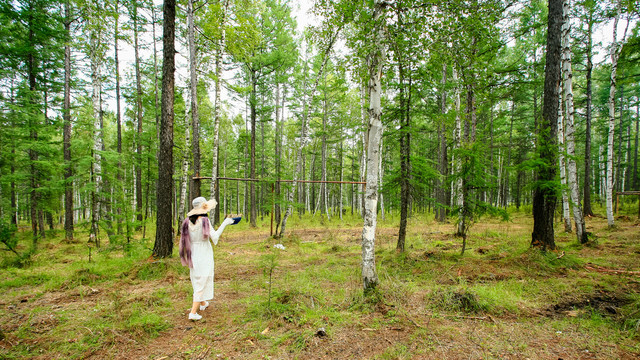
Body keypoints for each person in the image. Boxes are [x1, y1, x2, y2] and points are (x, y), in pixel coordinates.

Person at [179, 197, 234, 320]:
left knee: (196, 277)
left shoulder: (187, 221)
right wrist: (225, 223)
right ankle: (193, 312)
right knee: (202, 278)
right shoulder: (204, 221)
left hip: (192, 252)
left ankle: (203, 303)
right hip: (203, 252)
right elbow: (214, 238)